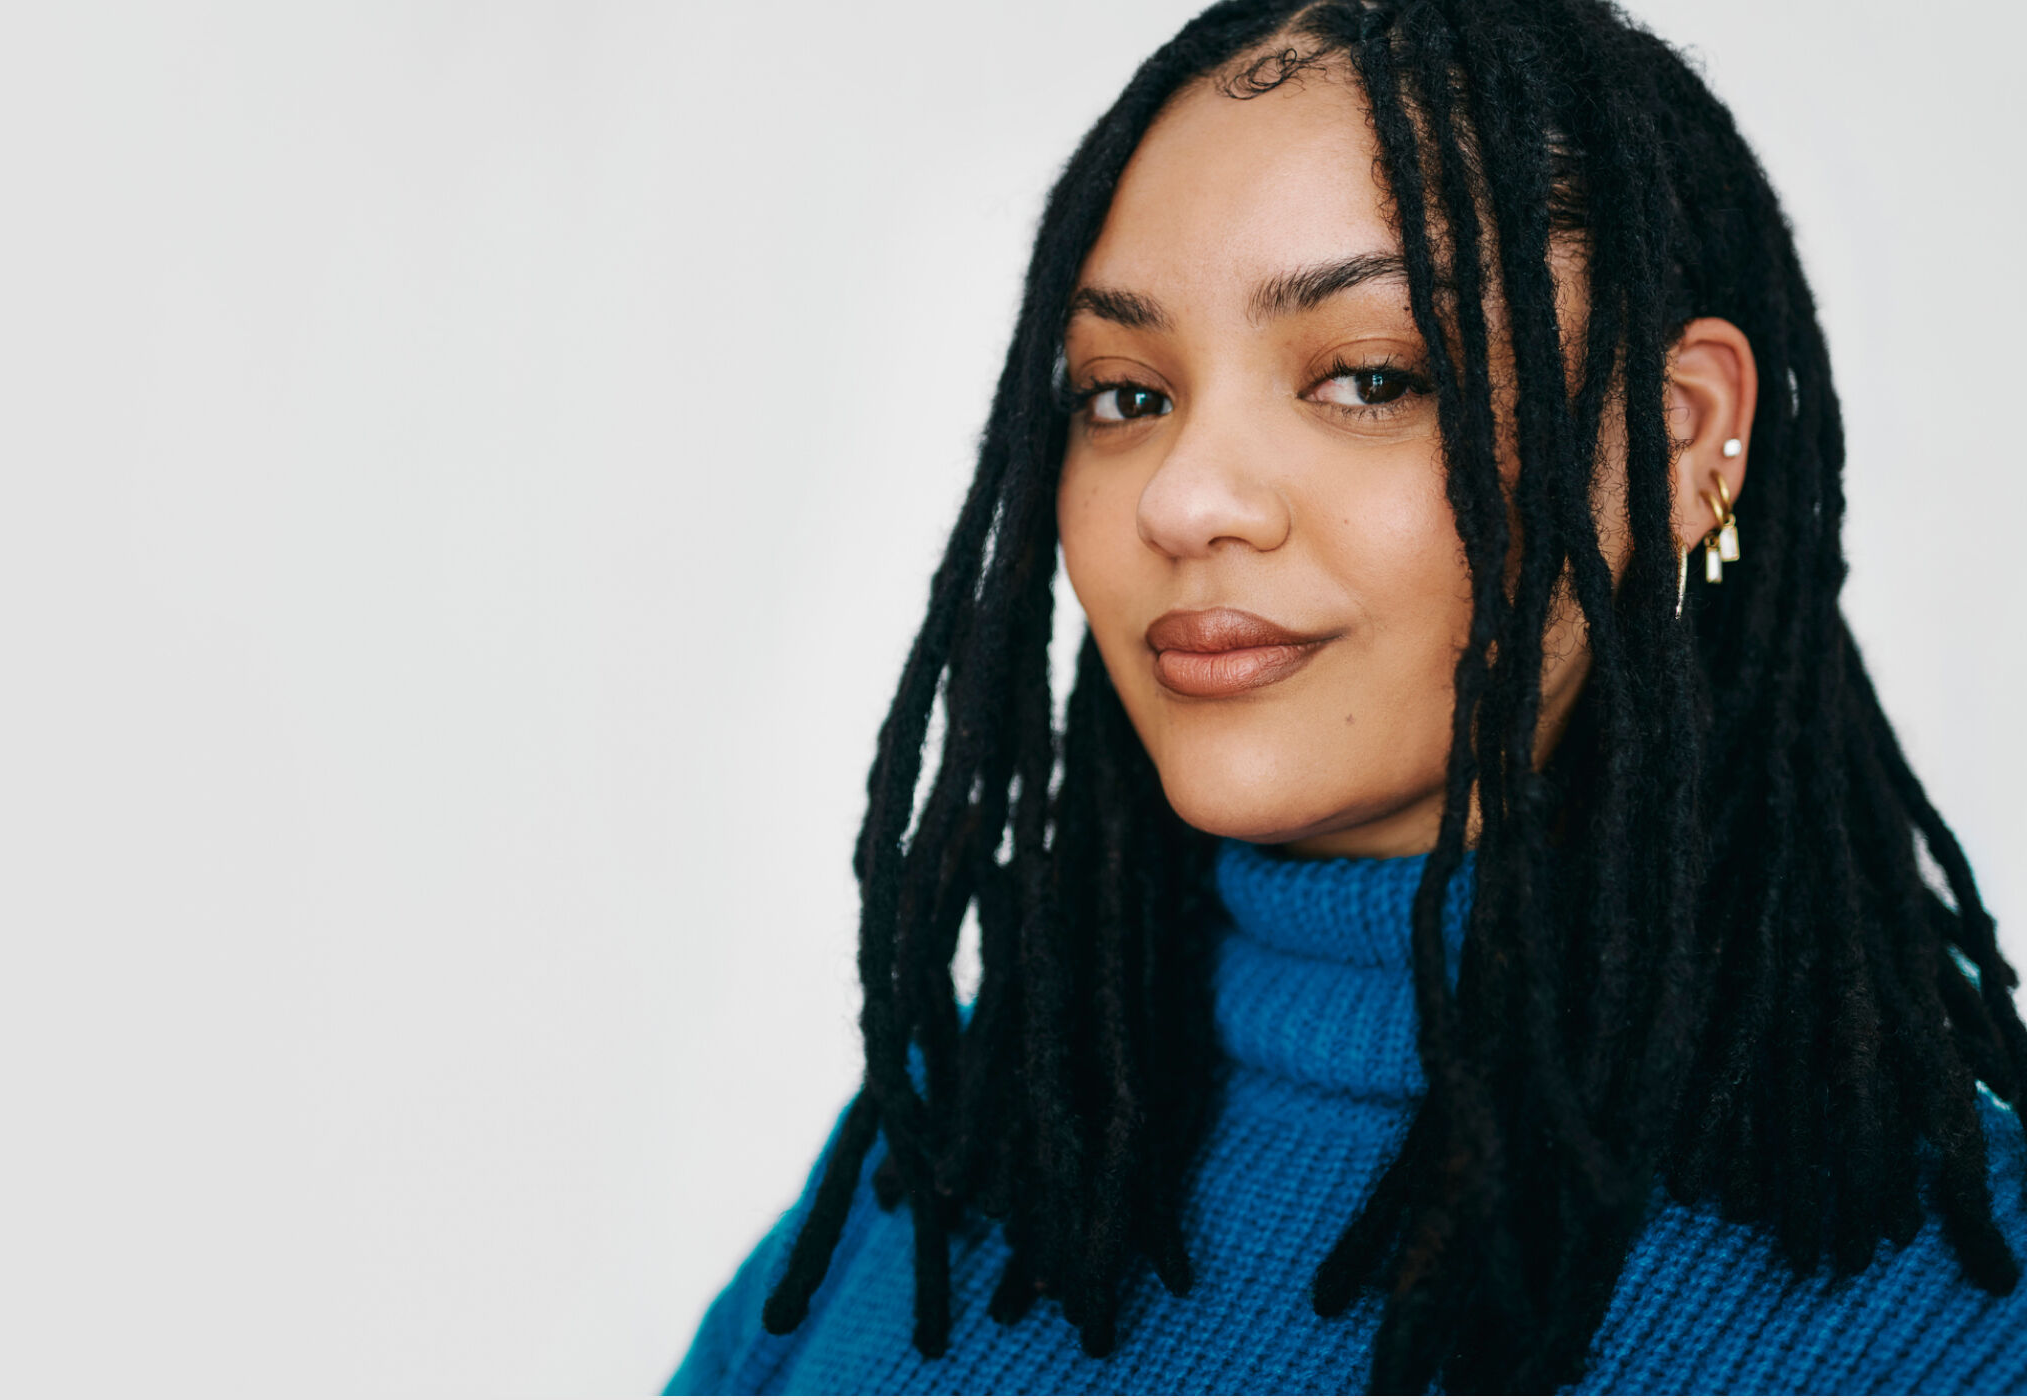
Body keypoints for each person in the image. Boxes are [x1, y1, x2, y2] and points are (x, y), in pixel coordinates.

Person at [664, 0, 2027, 1392]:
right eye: (1125, 396)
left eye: (1371, 378)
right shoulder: (965, 1141)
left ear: (1677, 438)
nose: (1185, 499)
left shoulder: (1965, 1316)